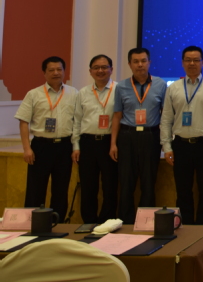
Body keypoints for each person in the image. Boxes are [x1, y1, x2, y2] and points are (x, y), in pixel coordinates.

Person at [161, 46, 203, 224]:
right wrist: (167, 147)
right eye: (188, 60)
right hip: (181, 145)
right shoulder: (173, 88)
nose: (192, 63)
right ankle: (185, 227)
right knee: (183, 191)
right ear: (182, 63)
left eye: (196, 60)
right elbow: (166, 119)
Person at [16, 56, 78, 221]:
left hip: (64, 146)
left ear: (64, 71)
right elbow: (23, 121)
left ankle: (57, 224)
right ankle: (32, 224)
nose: (56, 73)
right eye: (51, 70)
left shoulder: (74, 93)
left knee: (61, 189)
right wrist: (27, 148)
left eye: (59, 69)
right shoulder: (34, 94)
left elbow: (77, 121)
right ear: (44, 73)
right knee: (35, 189)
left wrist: (75, 147)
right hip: (41, 146)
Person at [110, 47, 168, 224]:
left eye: (143, 61)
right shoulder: (121, 86)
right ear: (130, 64)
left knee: (148, 182)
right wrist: (113, 143)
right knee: (126, 182)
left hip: (151, 136)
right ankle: (125, 223)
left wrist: (166, 143)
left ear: (149, 62)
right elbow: (117, 116)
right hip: (127, 136)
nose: (140, 65)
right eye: (136, 61)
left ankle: (146, 222)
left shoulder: (160, 85)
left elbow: (165, 115)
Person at [72, 54, 118, 223]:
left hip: (110, 143)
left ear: (111, 70)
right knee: (88, 186)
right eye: (96, 68)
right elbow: (77, 121)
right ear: (90, 71)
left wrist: (114, 143)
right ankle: (89, 222)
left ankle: (107, 222)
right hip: (87, 143)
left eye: (104, 67)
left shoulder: (119, 90)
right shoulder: (83, 92)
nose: (100, 71)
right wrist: (76, 146)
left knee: (110, 185)